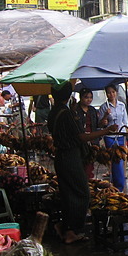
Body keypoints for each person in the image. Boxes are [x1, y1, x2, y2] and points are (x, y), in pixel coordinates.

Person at [48, 82, 117, 244]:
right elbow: (81, 137)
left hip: (60, 156)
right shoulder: (66, 113)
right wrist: (106, 131)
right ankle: (72, 230)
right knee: (82, 193)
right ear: (68, 95)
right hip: (70, 156)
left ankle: (64, 227)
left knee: (67, 194)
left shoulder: (54, 112)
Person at [98, 84, 128, 191]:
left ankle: (119, 184)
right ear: (106, 94)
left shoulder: (122, 105)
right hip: (110, 136)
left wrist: (126, 133)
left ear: (116, 93)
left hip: (121, 135)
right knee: (113, 160)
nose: (111, 94)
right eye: (108, 92)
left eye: (113, 92)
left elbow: (125, 121)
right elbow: (101, 124)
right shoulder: (104, 107)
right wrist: (106, 115)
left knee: (120, 159)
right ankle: (117, 185)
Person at [73, 88, 104, 180]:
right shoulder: (76, 110)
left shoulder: (92, 110)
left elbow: (97, 125)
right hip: (81, 142)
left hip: (93, 141)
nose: (89, 100)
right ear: (81, 98)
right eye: (86, 97)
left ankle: (89, 183)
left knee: (90, 164)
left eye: (91, 97)